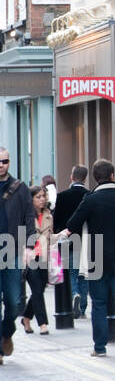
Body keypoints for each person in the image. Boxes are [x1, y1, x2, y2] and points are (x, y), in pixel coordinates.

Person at [59, 159, 115, 358]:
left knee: (99, 303)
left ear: (95, 178)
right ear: (112, 175)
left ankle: (100, 347)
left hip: (97, 258)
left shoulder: (90, 200)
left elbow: (73, 223)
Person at [0, 149, 35, 364]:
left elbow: (29, 217)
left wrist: (30, 245)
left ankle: (6, 333)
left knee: (14, 302)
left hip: (12, 250)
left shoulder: (19, 188)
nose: (1, 165)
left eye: (4, 161)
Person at [52, 165, 90, 318]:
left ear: (71, 177)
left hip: (66, 239)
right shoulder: (89, 195)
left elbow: (56, 220)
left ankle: (74, 294)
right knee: (84, 274)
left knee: (71, 272)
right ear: (85, 179)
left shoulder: (62, 196)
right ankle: (82, 307)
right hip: (86, 241)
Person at [20, 181, 54, 334]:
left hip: (44, 257)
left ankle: (26, 318)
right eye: (38, 197)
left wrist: (60, 236)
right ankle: (43, 324)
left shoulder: (48, 215)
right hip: (30, 257)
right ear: (31, 199)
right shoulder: (24, 216)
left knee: (39, 290)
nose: (42, 199)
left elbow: (50, 237)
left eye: (43, 196)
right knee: (38, 291)